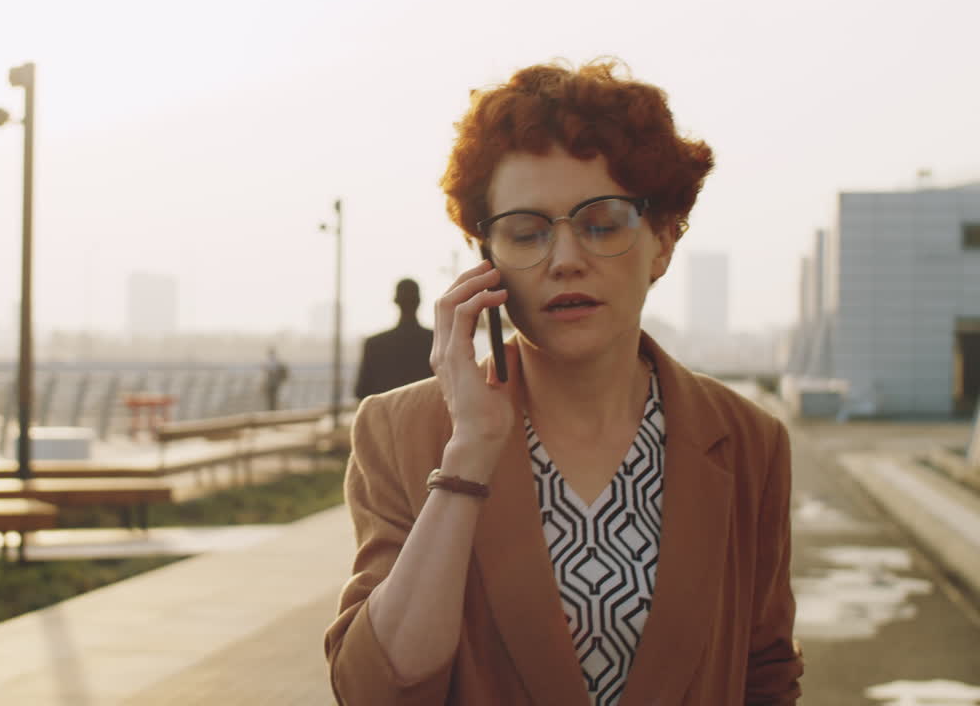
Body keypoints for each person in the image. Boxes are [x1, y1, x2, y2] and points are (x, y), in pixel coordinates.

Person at [324, 58, 803, 705]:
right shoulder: (404, 431)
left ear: (662, 240)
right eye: (526, 233)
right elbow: (374, 688)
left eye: (602, 224)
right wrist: (468, 456)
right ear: (487, 259)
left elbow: (765, 672)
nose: (566, 259)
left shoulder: (748, 441)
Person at [354, 278, 435, 400]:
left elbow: (361, 392)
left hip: (385, 417)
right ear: (418, 301)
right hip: (428, 417)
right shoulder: (436, 340)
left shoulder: (374, 344)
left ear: (395, 301)